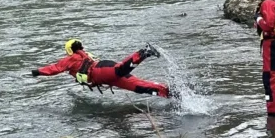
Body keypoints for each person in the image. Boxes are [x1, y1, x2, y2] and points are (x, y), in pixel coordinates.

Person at [31, 39, 170, 97]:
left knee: (121, 70)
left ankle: (144, 52)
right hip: (107, 76)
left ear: (69, 50)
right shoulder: (83, 55)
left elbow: (54, 68)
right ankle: (171, 93)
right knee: (140, 87)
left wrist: (37, 72)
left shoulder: (71, 58)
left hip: (101, 71)